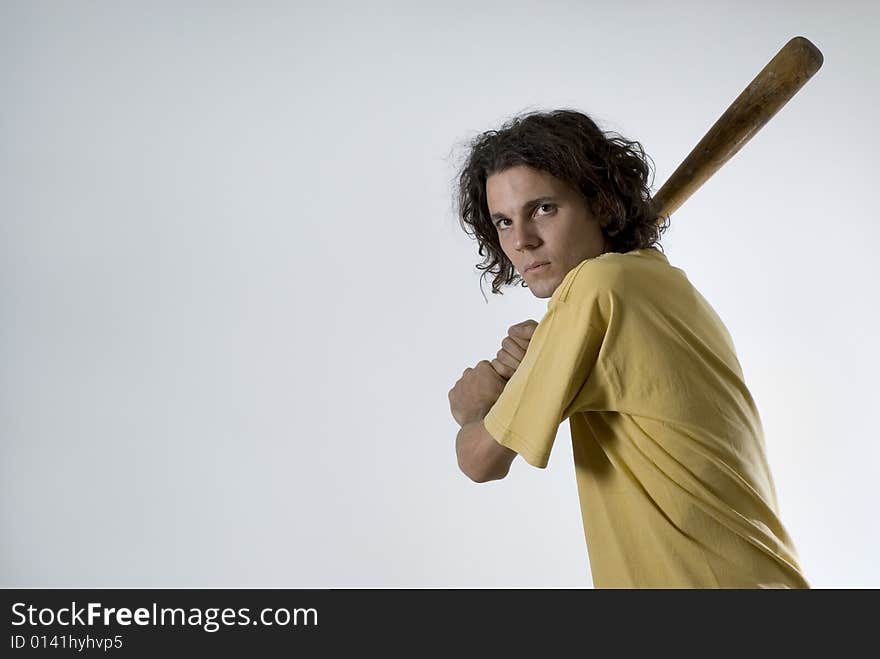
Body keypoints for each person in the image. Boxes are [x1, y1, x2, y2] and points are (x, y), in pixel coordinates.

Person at [447, 109, 809, 588]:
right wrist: (541, 358)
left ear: (598, 202)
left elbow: (480, 460)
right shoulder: (659, 283)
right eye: (503, 221)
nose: (522, 241)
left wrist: (475, 408)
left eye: (543, 209)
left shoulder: (600, 287)